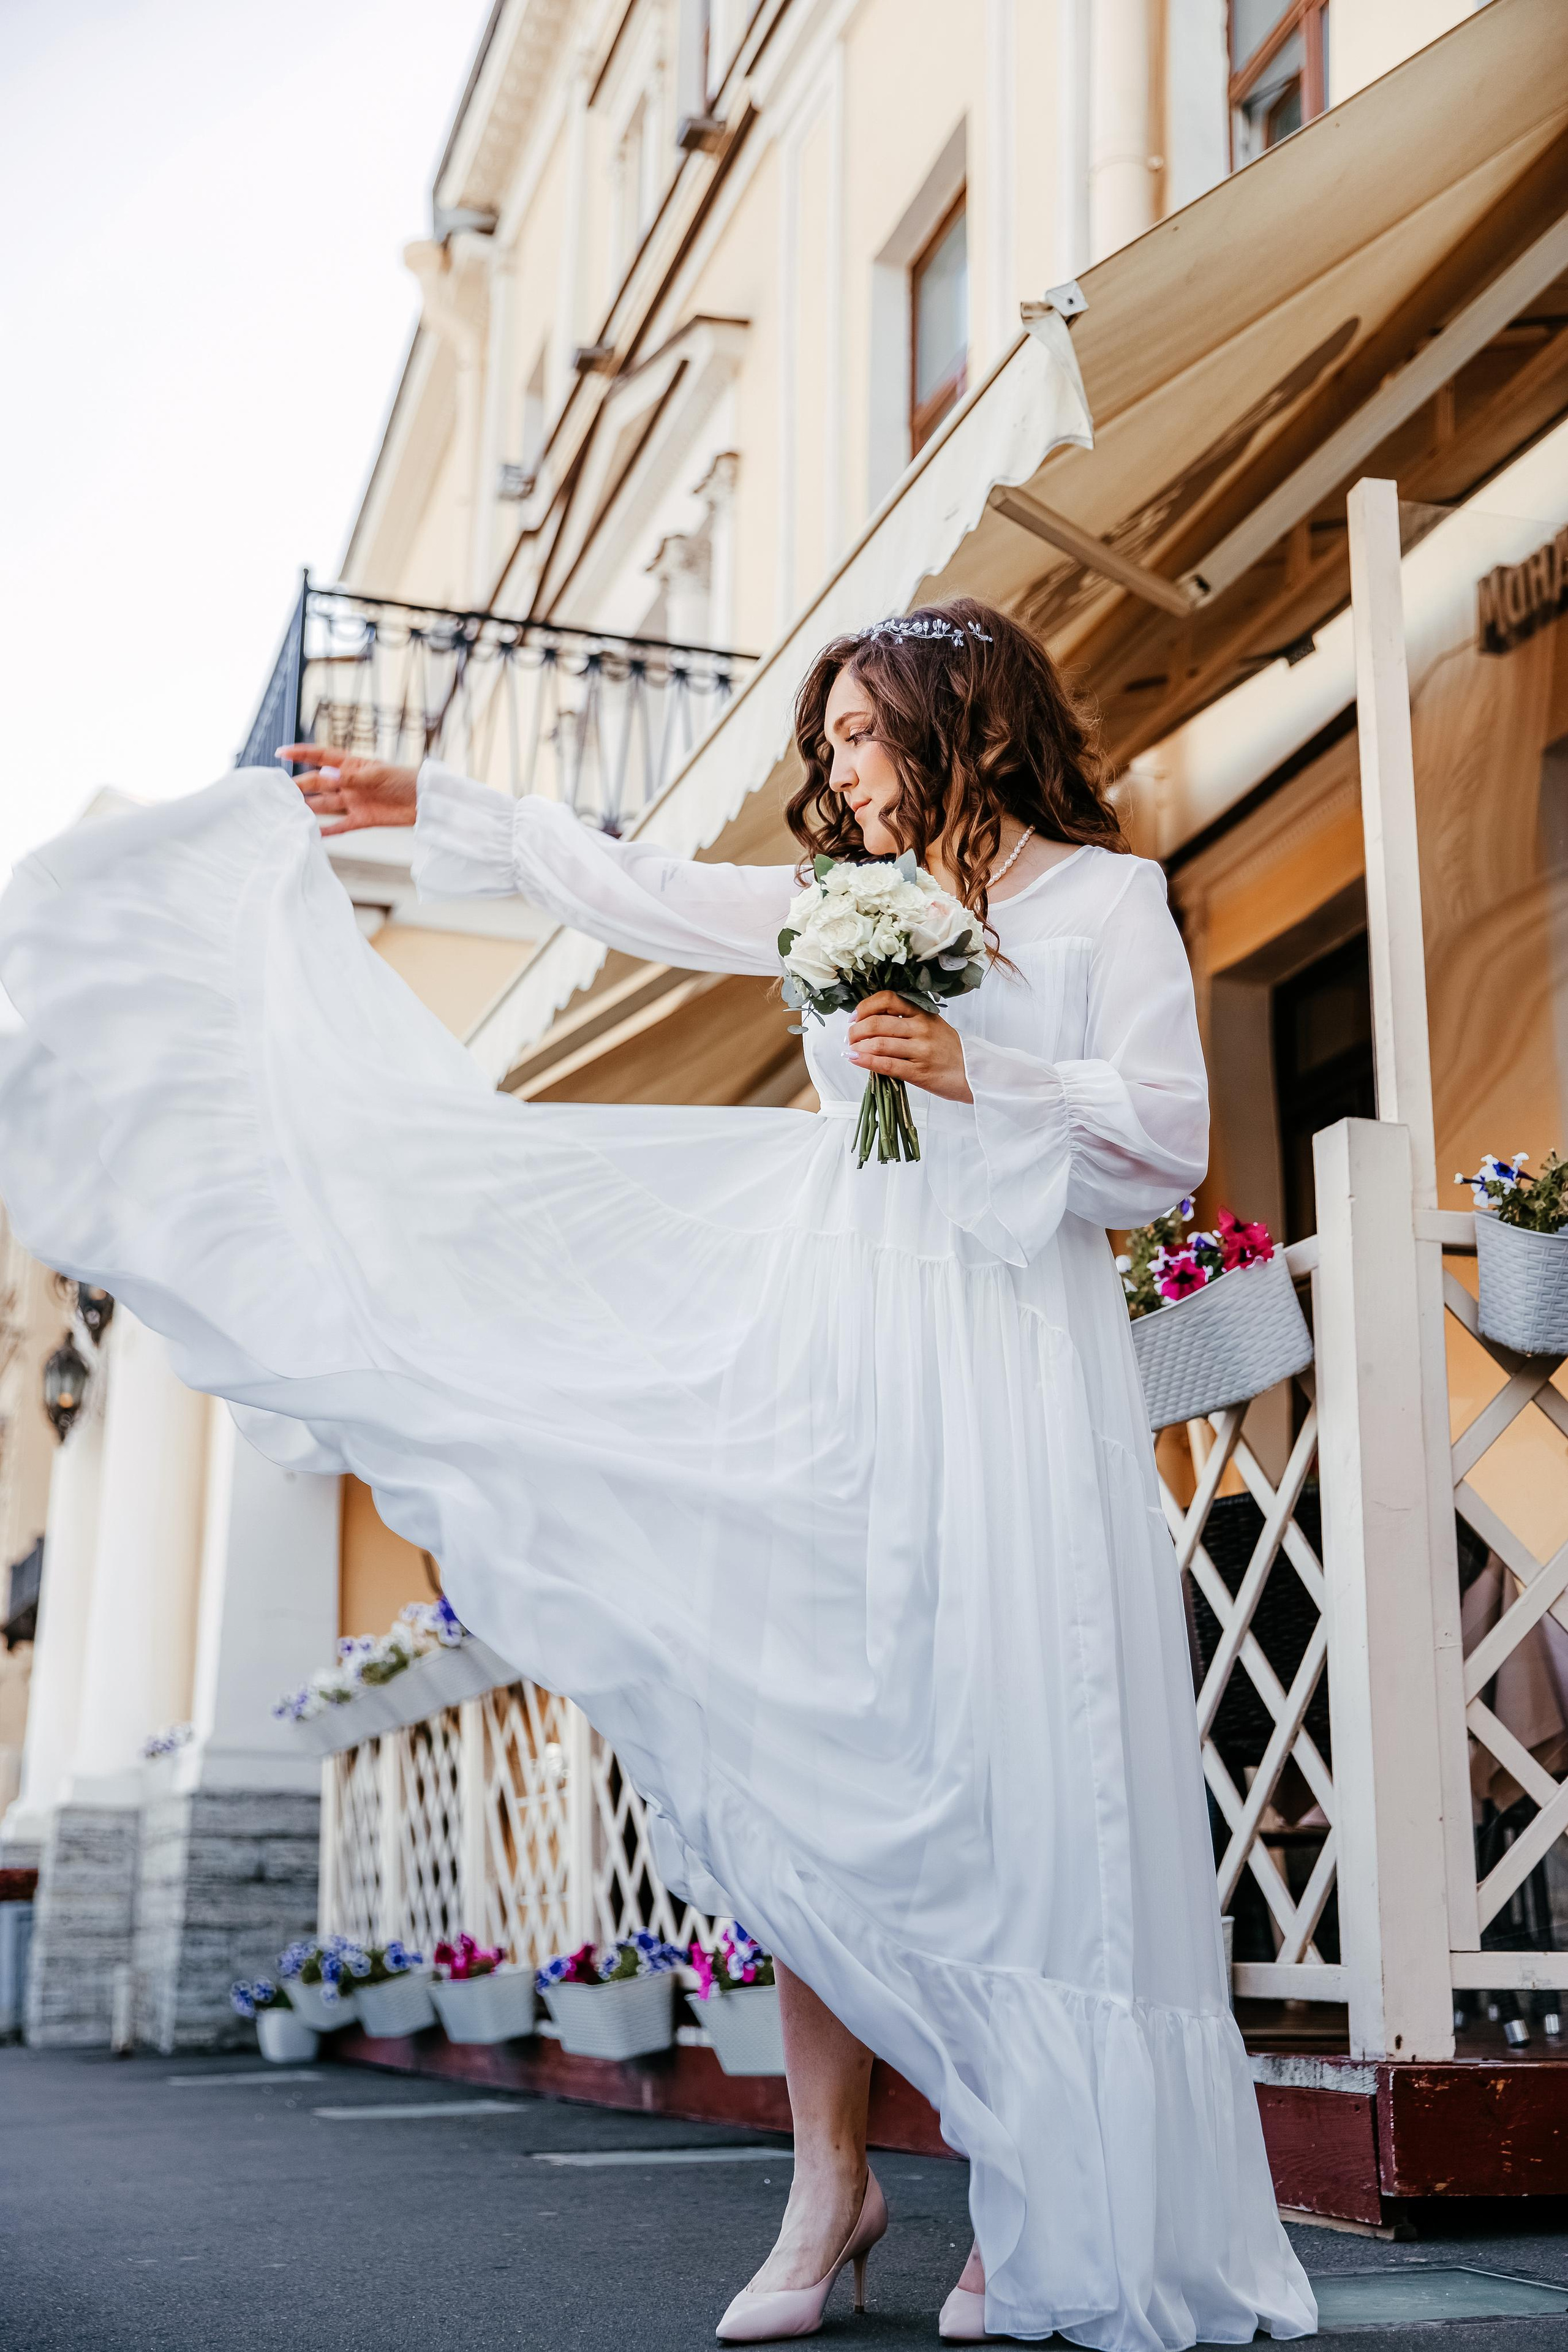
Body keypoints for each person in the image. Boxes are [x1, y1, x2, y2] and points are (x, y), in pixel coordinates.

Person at [0, 598, 1314, 2350]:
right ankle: (825, 2179)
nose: (837, 771)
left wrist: (972, 1066)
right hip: (835, 1355)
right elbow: (645, 893)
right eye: (829, 741)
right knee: (823, 1745)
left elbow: (1165, 1139)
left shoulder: (1103, 901)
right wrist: (438, 806)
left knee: (1015, 1755)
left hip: (1006, 1374)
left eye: (864, 733)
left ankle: (1044, 2190)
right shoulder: (844, 906)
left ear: (971, 725)